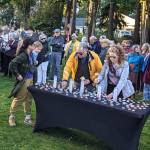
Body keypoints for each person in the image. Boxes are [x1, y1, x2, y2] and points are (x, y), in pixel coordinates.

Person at [8, 38, 36, 127]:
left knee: (29, 99)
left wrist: (34, 63)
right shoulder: (23, 55)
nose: (35, 46)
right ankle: (12, 117)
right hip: (25, 80)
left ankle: (27, 119)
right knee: (19, 98)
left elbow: (29, 65)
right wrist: (17, 74)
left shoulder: (30, 54)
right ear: (29, 46)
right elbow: (12, 64)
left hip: (31, 79)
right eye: (33, 45)